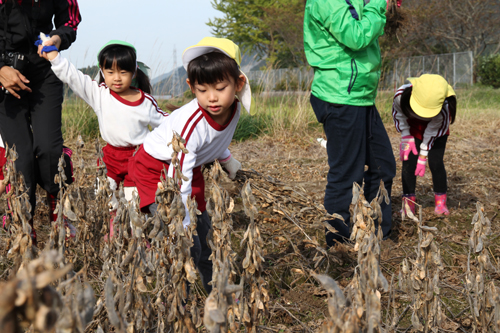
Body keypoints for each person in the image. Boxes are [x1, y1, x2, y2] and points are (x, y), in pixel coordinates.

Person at [129, 37, 250, 293]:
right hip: (158, 171)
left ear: (238, 84)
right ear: (191, 87)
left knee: (207, 238)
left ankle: (213, 294)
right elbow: (177, 177)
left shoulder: (233, 109)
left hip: (187, 169)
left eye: (220, 88)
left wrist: (227, 159)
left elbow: (213, 141)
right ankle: (174, 301)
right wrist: (182, 222)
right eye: (202, 90)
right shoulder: (191, 123)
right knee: (184, 242)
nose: (212, 98)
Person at [40, 39, 169, 239]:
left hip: (139, 158)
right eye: (110, 72)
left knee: (134, 202)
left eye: (123, 73)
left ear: (134, 72)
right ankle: (114, 229)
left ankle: (140, 242)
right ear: (102, 71)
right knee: (105, 194)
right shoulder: (100, 94)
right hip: (110, 157)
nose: (116, 78)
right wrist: (55, 57)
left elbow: (167, 125)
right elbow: (73, 77)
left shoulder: (145, 102)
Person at [304, 0, 396, 246]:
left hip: (359, 96)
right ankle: (337, 244)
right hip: (339, 97)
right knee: (346, 173)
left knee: (383, 167)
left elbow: (365, 26)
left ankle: (379, 235)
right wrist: (378, 5)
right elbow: (356, 36)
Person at [0, 0, 81, 243]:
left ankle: (59, 200)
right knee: (19, 156)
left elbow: (70, 22)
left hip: (43, 70)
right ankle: (22, 221)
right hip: (4, 71)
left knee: (48, 147)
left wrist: (56, 38)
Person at [392, 74, 456, 216]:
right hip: (412, 128)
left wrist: (423, 155)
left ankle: (441, 203)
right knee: (409, 162)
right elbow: (399, 115)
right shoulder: (401, 96)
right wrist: (406, 136)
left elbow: (432, 132)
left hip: (436, 133)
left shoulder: (444, 108)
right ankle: (409, 203)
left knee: (435, 162)